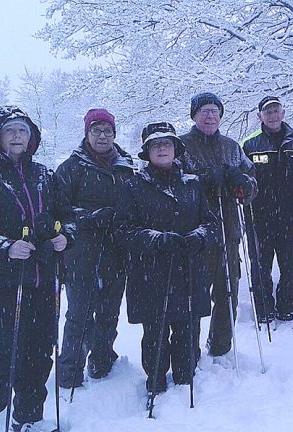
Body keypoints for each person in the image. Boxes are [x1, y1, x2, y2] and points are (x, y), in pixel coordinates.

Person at [0, 106, 73, 432]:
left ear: (32, 137)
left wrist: (65, 236)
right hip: (2, 282)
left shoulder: (45, 175)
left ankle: (29, 417)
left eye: (23, 130)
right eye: (11, 131)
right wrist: (6, 247)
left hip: (43, 279)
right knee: (1, 355)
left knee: (38, 355)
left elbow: (66, 216)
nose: (18, 136)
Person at [114, 122, 217, 393]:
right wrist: (156, 239)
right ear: (147, 151)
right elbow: (123, 230)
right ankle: (155, 378)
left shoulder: (192, 184)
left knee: (187, 327)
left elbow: (210, 224)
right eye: (156, 144)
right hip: (151, 273)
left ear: (176, 149)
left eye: (167, 143)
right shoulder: (133, 185)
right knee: (155, 331)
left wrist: (199, 237)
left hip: (188, 270)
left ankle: (185, 377)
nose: (162, 149)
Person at [54, 108, 136, 389]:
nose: (102, 136)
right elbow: (59, 210)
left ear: (114, 134)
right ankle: (70, 371)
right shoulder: (71, 168)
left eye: (107, 131)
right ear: (87, 133)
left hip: (116, 248)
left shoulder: (126, 166)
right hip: (81, 250)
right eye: (96, 130)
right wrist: (89, 218)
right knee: (79, 312)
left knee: (110, 310)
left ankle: (102, 361)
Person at [179, 92, 258, 358]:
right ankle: (189, 349)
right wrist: (204, 180)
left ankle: (221, 346)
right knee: (193, 294)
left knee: (228, 292)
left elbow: (251, 185)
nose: (210, 116)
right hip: (195, 231)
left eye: (214, 111)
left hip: (229, 229)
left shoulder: (232, 147)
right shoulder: (181, 146)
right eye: (204, 111)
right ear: (194, 115)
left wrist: (243, 184)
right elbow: (173, 186)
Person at [240, 96, 293, 324]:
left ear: (283, 113)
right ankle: (264, 312)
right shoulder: (249, 144)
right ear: (260, 116)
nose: (273, 115)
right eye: (268, 112)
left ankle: (287, 310)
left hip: (290, 217)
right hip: (259, 218)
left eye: (276, 111)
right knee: (260, 268)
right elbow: (242, 176)